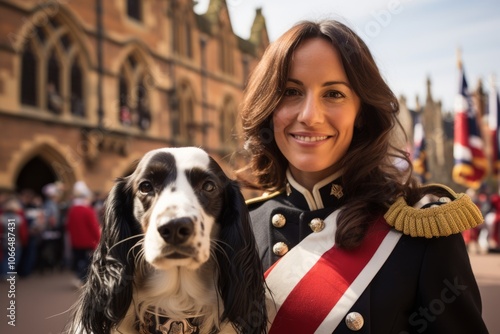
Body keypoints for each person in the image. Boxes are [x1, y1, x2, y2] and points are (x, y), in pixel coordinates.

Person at [238, 20, 488, 333]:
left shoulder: (421, 232)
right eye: (291, 91)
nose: (309, 115)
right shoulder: (237, 226)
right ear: (268, 106)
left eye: (333, 94)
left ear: (362, 113)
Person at [65, 181, 101, 286]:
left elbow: (68, 226)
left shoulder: (71, 210)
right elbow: (93, 227)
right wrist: (98, 239)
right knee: (86, 262)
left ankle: (78, 277)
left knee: (79, 260)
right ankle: (82, 279)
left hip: (75, 241)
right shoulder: (88, 210)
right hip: (87, 241)